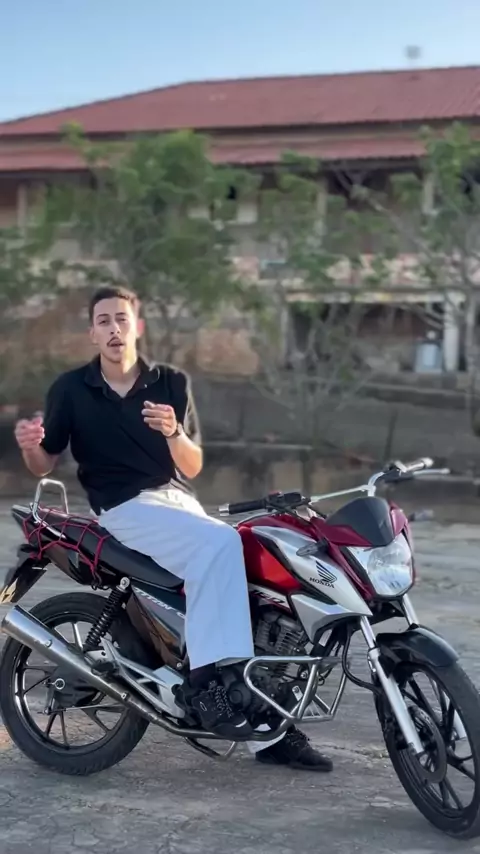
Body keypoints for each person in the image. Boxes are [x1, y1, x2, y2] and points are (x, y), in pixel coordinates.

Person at [14, 284, 332, 771]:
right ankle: (207, 685)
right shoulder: (71, 389)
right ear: (92, 333)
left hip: (178, 502)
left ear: (137, 327)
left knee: (252, 575)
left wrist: (173, 431)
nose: (114, 328)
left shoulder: (171, 383)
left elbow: (193, 464)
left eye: (122, 318)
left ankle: (268, 730)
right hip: (123, 507)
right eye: (104, 320)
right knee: (221, 543)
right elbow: (44, 462)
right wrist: (29, 446)